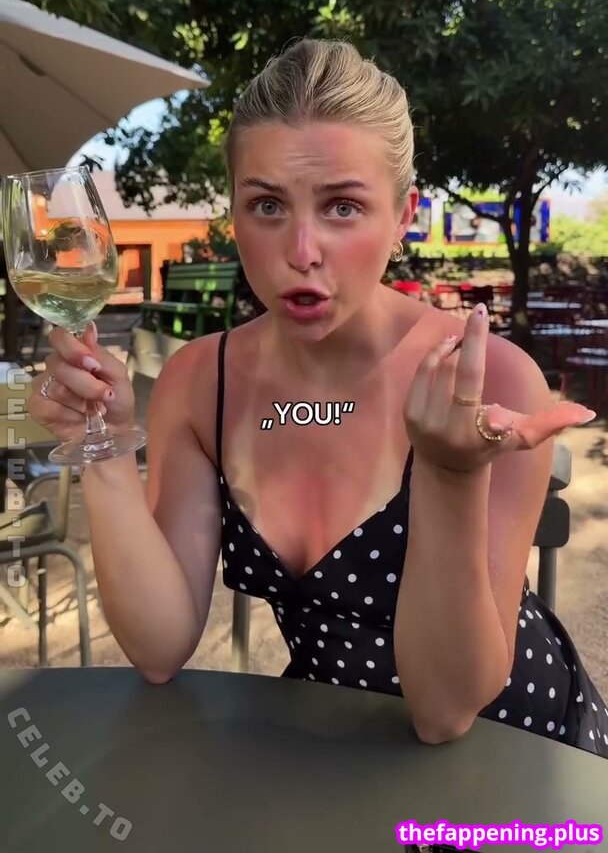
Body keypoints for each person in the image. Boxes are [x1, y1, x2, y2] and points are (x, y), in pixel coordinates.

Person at [30, 40, 608, 768]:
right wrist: (105, 446)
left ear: (402, 216)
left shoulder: (486, 377)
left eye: (342, 206)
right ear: (233, 213)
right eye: (267, 205)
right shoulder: (200, 383)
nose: (301, 250)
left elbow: (444, 710)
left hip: (516, 759)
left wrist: (450, 475)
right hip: (330, 756)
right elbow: (158, 645)